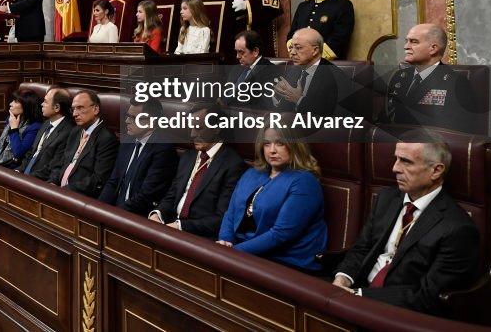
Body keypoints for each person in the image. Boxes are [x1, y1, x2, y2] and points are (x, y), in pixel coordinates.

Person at [332, 131, 480, 315]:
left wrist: (358, 296)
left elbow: (427, 295)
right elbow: (362, 248)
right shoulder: (386, 198)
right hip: (357, 290)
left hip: (400, 312)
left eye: (406, 161)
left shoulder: (458, 228)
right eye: (396, 159)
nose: (395, 168)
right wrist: (342, 280)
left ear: (436, 170)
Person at [217, 126, 327, 271]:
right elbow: (230, 213)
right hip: (244, 252)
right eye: (267, 143)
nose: (272, 150)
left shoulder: (305, 182)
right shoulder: (252, 173)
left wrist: (233, 253)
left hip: (285, 262)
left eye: (280, 143)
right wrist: (225, 242)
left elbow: (281, 235)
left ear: (295, 145)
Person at [150, 105, 247, 238]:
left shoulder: (233, 165)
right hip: (171, 227)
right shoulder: (188, 157)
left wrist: (181, 226)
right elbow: (172, 195)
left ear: (217, 128)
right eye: (191, 127)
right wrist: (158, 214)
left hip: (199, 237)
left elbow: (222, 218)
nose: (192, 134)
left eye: (198, 128)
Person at [379, 24, 477, 133]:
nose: (406, 46)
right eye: (406, 41)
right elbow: (384, 120)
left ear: (433, 48)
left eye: (414, 42)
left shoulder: (456, 83)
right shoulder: (399, 77)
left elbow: (459, 131)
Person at [98, 97, 177, 216]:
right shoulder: (127, 141)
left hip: (137, 216)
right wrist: (99, 209)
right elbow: (113, 181)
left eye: (133, 118)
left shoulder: (163, 148)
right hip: (116, 211)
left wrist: (116, 214)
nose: (127, 121)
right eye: (127, 115)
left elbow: (147, 195)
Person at [50, 90, 119, 197]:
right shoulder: (75, 131)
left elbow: (97, 180)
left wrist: (65, 190)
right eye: (73, 109)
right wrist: (52, 182)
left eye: (80, 108)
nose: (74, 114)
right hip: (59, 191)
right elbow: (61, 161)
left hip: (79, 197)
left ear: (95, 109)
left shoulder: (107, 139)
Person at [272, 27, 350, 118]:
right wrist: (279, 96)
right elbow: (283, 110)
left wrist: (298, 100)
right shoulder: (294, 71)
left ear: (315, 50)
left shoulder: (336, 77)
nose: (292, 52)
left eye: (298, 48)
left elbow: (334, 118)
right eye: (291, 47)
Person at [287, 0, 355, 59]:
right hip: (300, 62)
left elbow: (340, 38)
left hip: (327, 64)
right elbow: (292, 35)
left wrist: (314, 57)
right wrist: (296, 53)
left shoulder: (343, 5)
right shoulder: (303, 6)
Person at [20, 88, 75, 180]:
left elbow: (54, 166)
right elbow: (32, 152)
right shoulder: (46, 123)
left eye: (45, 102)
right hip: (26, 175)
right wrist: (19, 171)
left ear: (56, 107)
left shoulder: (68, 132)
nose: (42, 104)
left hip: (39, 181)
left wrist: (28, 178)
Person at [0, 90, 43, 169]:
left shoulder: (35, 127)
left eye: (16, 102)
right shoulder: (11, 119)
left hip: (14, 167)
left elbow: (18, 152)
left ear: (27, 105)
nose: (11, 104)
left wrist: (14, 129)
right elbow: (0, 142)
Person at [229, 30, 280, 109]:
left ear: (255, 51)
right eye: (236, 52)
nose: (237, 56)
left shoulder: (270, 70)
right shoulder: (236, 69)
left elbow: (264, 104)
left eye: (241, 52)